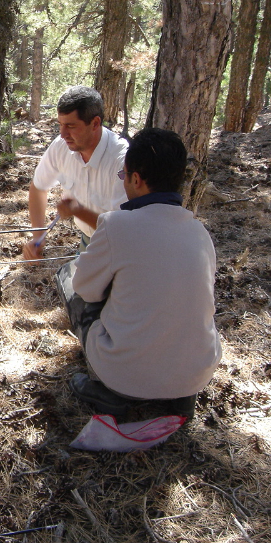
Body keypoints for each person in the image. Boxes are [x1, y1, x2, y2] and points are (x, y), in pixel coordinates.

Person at [55, 128, 221, 418]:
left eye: (123, 176)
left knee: (69, 274)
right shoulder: (200, 232)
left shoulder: (116, 225)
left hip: (125, 376)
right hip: (197, 373)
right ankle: (179, 396)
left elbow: (85, 288)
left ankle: (108, 390)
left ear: (136, 179)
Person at [23, 86, 128, 260]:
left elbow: (122, 231)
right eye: (60, 124)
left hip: (121, 250)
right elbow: (38, 187)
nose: (63, 134)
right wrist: (38, 236)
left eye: (71, 126)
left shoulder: (120, 160)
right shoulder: (61, 147)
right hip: (89, 242)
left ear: (95, 123)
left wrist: (78, 211)